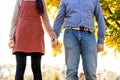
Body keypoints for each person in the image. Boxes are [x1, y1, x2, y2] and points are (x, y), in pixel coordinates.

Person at [53, 0, 106, 80]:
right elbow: (59, 19)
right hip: (70, 34)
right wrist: (54, 37)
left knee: (91, 73)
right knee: (71, 73)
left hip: (89, 35)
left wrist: (101, 40)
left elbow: (100, 19)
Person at [8, 0, 58, 80]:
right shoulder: (20, 0)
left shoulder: (42, 1)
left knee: (36, 67)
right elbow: (14, 19)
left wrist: (53, 36)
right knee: (20, 67)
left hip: (36, 37)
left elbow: (46, 21)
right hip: (21, 36)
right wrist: (11, 37)